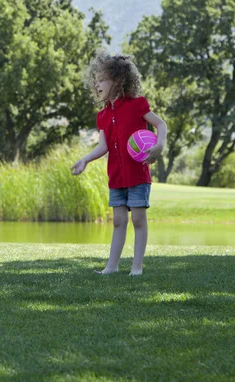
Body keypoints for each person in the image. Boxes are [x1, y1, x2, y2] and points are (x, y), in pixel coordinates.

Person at [71, 51, 168, 276]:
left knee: (138, 219)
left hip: (137, 175)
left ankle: (137, 267)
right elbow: (103, 147)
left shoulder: (138, 105)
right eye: (95, 79)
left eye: (102, 78)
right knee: (118, 221)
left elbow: (161, 125)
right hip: (116, 177)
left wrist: (160, 146)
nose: (96, 83)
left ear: (118, 80)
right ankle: (112, 267)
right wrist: (85, 159)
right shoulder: (102, 115)